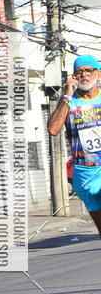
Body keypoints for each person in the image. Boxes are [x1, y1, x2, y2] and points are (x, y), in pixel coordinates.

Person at [47, 54, 101, 237]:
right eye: (79, 72)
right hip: (84, 173)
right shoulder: (68, 102)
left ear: (98, 74)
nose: (84, 75)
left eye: (88, 70)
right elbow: (53, 129)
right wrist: (67, 95)